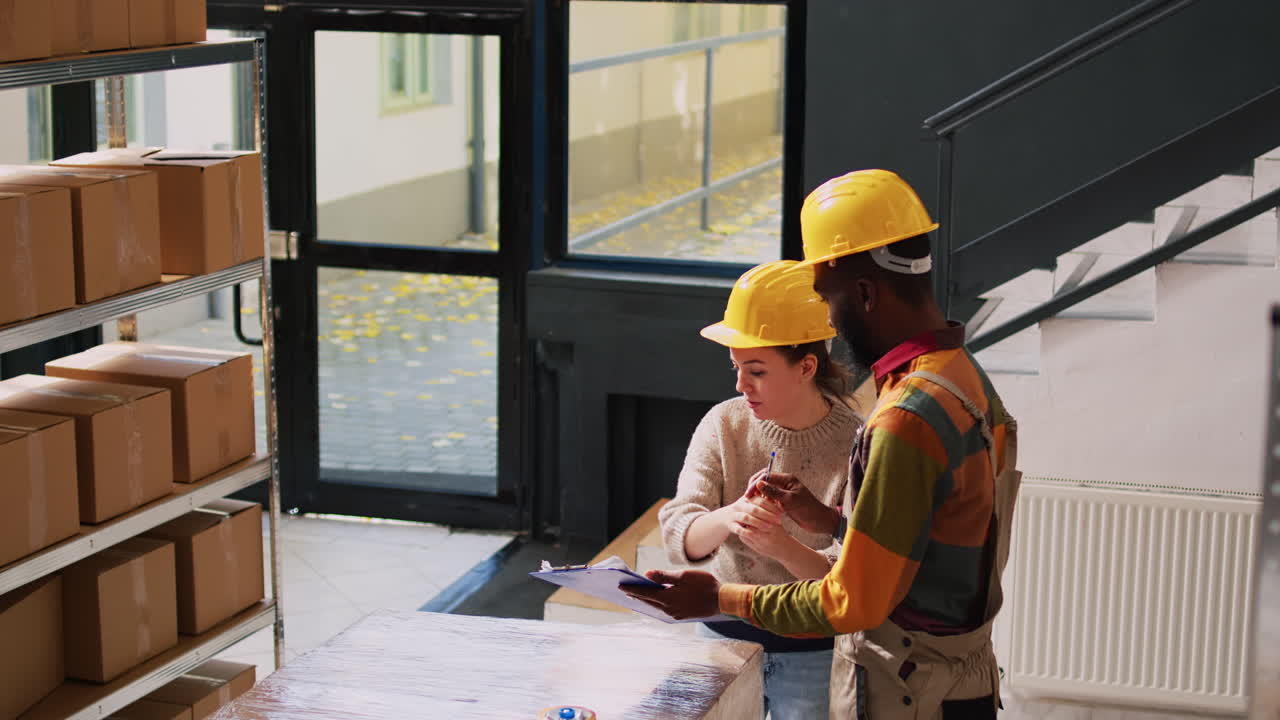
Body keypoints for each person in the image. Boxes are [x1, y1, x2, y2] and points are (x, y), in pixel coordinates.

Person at [627, 169, 1021, 720]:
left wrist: (717, 598)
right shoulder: (962, 377)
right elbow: (922, 539)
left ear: (862, 292)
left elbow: (851, 599)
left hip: (911, 688)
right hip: (954, 680)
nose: (829, 319)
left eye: (826, 297)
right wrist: (828, 519)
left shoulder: (907, 416)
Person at [659, 259, 862, 720]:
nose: (740, 384)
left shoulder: (858, 442)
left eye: (757, 370)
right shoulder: (724, 423)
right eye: (735, 368)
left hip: (812, 653)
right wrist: (729, 517)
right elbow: (678, 534)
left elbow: (846, 580)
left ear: (807, 366)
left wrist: (780, 545)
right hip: (721, 640)